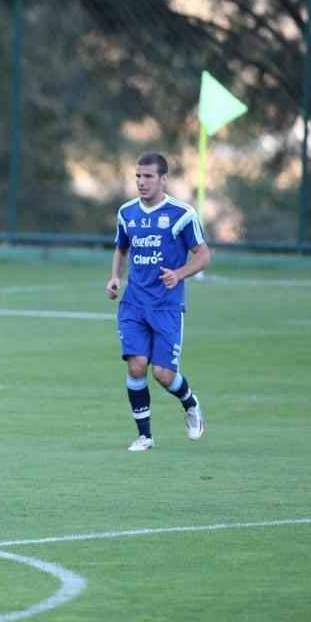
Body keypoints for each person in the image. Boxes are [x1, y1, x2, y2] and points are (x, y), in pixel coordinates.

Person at [106, 151, 210, 451]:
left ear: (163, 179)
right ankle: (145, 436)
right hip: (134, 303)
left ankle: (191, 405)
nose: (141, 182)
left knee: (163, 374)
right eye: (138, 176)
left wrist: (179, 274)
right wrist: (115, 277)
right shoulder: (127, 213)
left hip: (166, 306)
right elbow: (121, 248)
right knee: (136, 366)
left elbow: (203, 255)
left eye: (148, 176)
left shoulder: (182, 215)